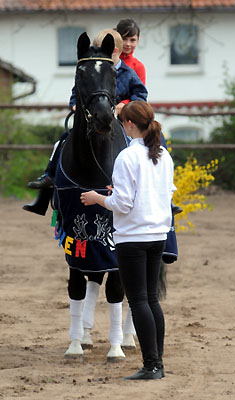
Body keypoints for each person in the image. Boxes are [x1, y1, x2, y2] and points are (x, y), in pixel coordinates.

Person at [80, 101, 176, 380]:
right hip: (158, 234)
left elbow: (121, 204)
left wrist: (99, 198)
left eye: (122, 121)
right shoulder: (164, 156)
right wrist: (119, 193)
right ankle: (157, 362)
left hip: (132, 237)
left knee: (138, 301)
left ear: (130, 124)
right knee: (151, 299)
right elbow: (165, 193)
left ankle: (152, 365)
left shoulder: (126, 157)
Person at [23, 28, 148, 215]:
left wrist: (124, 105)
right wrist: (74, 105)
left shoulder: (127, 73)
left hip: (122, 119)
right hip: (91, 117)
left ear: (114, 50)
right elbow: (77, 92)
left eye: (101, 49)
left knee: (145, 145)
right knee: (62, 141)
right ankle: (49, 181)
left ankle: (153, 190)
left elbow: (140, 94)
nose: (96, 53)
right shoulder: (89, 69)